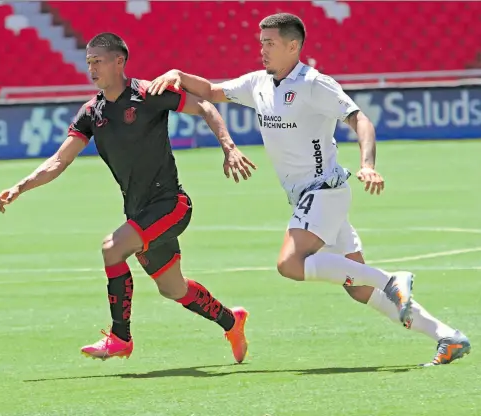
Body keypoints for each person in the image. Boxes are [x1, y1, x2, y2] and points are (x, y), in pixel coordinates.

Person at [148, 13, 471, 366]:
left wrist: (367, 165)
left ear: (293, 46)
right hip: (309, 198)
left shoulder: (316, 84)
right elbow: (210, 91)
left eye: (270, 43)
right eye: (261, 43)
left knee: (289, 263)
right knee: (359, 287)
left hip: (324, 191)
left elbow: (359, 118)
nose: (263, 50)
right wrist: (178, 75)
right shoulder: (258, 84)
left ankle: (392, 279)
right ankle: (447, 336)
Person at [0, 32, 257, 363]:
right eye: (88, 62)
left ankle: (121, 338)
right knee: (173, 289)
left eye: (98, 61)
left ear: (119, 61)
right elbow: (59, 161)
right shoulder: (92, 112)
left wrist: (228, 146)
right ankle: (231, 322)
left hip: (170, 205)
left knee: (112, 248)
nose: (92, 68)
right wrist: (21, 185)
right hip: (139, 211)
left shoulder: (150, 93)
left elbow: (204, 105)